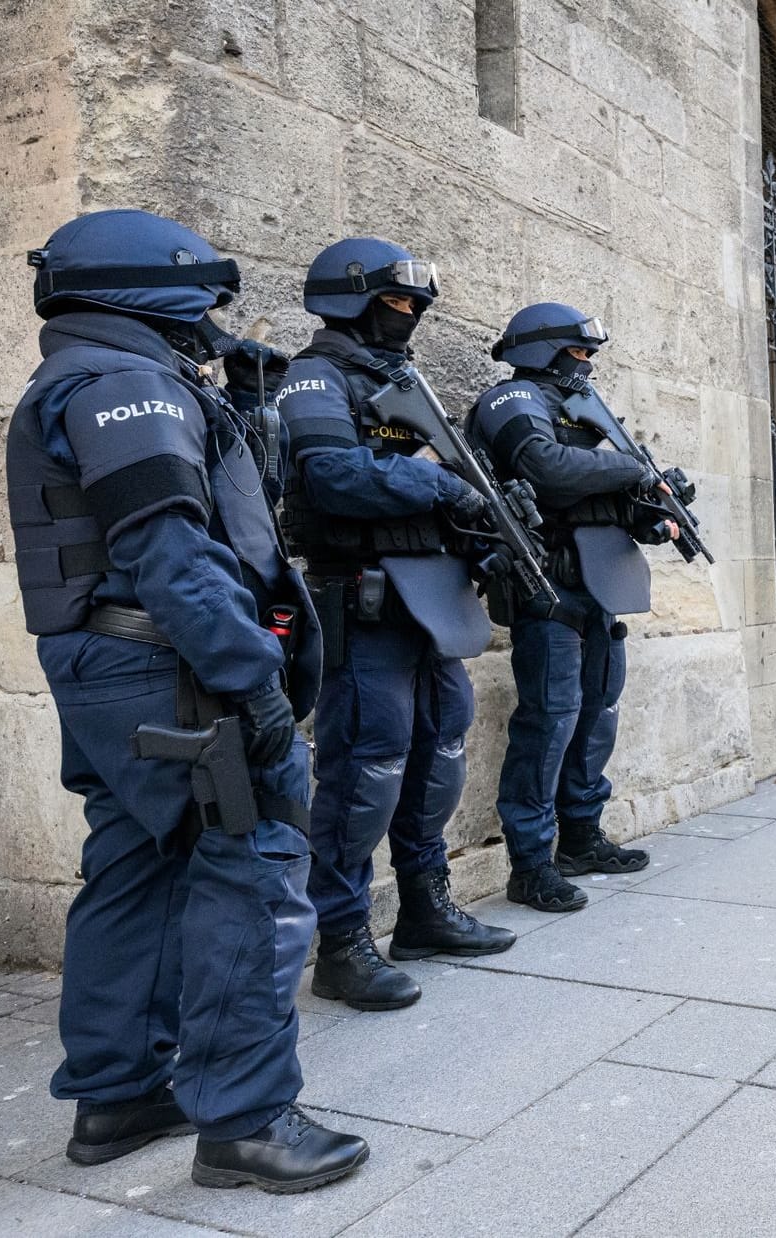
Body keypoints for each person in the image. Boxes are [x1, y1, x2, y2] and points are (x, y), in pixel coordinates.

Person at [9, 210, 366, 1190]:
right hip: (174, 663)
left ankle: (117, 1093)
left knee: (131, 860)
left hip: (115, 665)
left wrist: (238, 410)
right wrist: (250, 682)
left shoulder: (93, 375)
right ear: (144, 288)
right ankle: (246, 1121)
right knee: (252, 860)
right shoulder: (127, 384)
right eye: (201, 294)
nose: (213, 313)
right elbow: (172, 553)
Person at [277, 238, 514, 1012]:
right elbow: (333, 476)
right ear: (352, 297)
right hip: (364, 593)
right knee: (363, 769)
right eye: (398, 302)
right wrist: (439, 486)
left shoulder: (401, 379)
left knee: (442, 746)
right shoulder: (314, 376)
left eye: (416, 306)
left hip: (431, 598)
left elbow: (447, 480)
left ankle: (424, 907)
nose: (408, 318)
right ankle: (343, 944)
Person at [466, 303, 661, 916]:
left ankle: (580, 835)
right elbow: (547, 471)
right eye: (578, 353)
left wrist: (652, 508)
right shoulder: (513, 401)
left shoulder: (585, 414)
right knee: (549, 721)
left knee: (596, 713)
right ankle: (530, 864)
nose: (587, 365)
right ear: (543, 351)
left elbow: (607, 498)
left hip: (601, 585)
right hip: (548, 585)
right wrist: (631, 466)